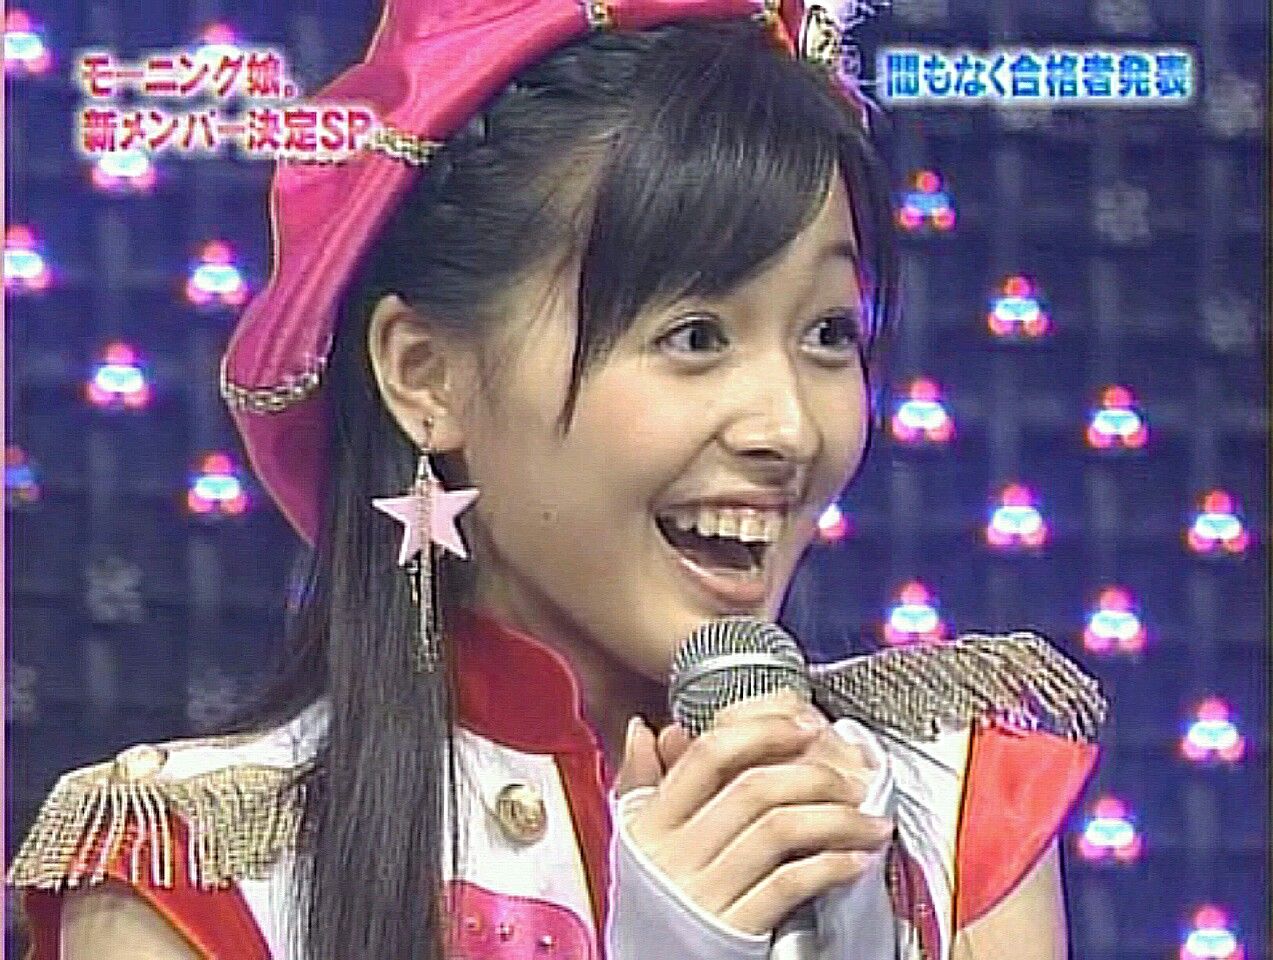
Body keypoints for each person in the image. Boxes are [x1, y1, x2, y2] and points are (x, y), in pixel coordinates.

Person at [7, 2, 1106, 959]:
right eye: (693, 336)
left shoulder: (948, 804)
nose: (787, 427)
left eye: (827, 332)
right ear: (425, 376)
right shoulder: (199, 876)